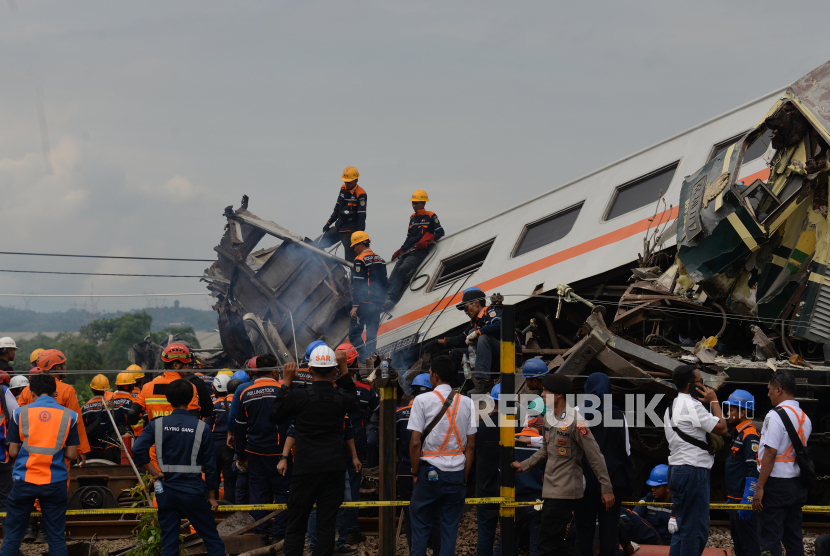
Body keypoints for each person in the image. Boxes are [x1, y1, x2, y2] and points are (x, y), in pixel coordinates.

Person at [270, 345, 360, 556]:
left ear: (309, 370)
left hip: (305, 471)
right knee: (327, 527)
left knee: (296, 525)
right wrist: (345, 370)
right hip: (333, 471)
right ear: (334, 370)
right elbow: (356, 404)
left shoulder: (299, 396)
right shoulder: (340, 397)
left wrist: (286, 382)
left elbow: (275, 416)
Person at [511, 373, 614, 556]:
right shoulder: (549, 418)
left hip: (565, 490)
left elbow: (595, 455)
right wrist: (524, 465)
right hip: (551, 488)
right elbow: (545, 450)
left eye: (546, 391)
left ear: (558, 394)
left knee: (545, 545)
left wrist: (606, 487)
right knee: (555, 542)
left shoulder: (576, 421)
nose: (542, 395)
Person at [132, 379, 225, 556]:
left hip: (166, 492)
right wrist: (212, 496)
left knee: (169, 543)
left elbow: (137, 449)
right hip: (194, 492)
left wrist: (154, 472)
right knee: (212, 540)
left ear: (168, 399)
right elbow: (211, 465)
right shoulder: (201, 428)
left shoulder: (156, 425)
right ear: (191, 399)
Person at [0, 374, 80, 556]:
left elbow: (12, 452)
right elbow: (71, 454)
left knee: (12, 537)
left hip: (24, 481)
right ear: (55, 392)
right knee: (56, 538)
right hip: (55, 483)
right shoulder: (69, 416)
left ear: (32, 392)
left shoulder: (20, 413)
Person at [408, 355, 477, 556]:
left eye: (430, 374)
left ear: (435, 376)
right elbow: (471, 446)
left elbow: (414, 442)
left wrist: (414, 471)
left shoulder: (421, 401)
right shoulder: (467, 403)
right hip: (456, 473)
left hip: (429, 471)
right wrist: (463, 476)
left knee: (420, 526)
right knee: (449, 528)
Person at [663, 365, 727, 556]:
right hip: (693, 470)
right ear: (691, 385)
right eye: (701, 382)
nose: (704, 385)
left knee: (682, 529)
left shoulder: (671, 406)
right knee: (695, 531)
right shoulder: (692, 405)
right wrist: (714, 400)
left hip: (675, 470)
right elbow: (722, 427)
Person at [576, 373, 635, 556]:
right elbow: (626, 450)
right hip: (612, 482)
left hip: (585, 481)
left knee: (583, 530)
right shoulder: (618, 414)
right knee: (609, 530)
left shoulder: (577, 412)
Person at [753, 370, 811, 556]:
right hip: (796, 485)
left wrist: (760, 486)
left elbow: (770, 453)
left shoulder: (775, 416)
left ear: (779, 389)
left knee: (769, 537)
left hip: (776, 485)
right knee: (793, 538)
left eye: (770, 389)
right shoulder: (804, 418)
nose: (768, 393)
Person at [234, 357, 288, 544]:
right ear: (274, 371)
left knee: (257, 492)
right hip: (280, 453)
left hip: (254, 452)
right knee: (283, 492)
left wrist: (240, 455)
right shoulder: (283, 390)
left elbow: (240, 427)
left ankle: (261, 534)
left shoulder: (245, 392)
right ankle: (280, 535)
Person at [429, 287, 522, 395]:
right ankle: (466, 387)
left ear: (476, 303)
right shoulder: (474, 322)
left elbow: (499, 324)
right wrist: (437, 342)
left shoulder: (489, 311)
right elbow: (460, 340)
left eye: (466, 308)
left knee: (482, 337)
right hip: (495, 356)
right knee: (456, 353)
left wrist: (478, 332)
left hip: (511, 354)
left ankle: (485, 382)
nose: (466, 312)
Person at [335, 342, 378, 547]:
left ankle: (336, 532)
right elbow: (381, 409)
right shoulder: (365, 389)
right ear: (353, 366)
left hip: (333, 446)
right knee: (351, 490)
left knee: (332, 490)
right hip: (356, 447)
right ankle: (350, 531)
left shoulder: (331, 389)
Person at [18, 349, 90, 465]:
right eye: (63, 365)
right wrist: (80, 449)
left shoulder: (27, 390)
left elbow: (18, 421)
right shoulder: (67, 390)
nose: (65, 368)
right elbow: (76, 421)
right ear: (57, 368)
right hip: (59, 451)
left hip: (30, 452)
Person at [396, 373, 441, 553]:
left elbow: (396, 444)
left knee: (410, 512)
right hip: (432, 469)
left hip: (406, 471)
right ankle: (436, 547)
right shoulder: (438, 413)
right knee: (435, 512)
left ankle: (415, 548)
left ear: (413, 391)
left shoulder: (399, 414)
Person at [382, 190, 445, 312]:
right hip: (407, 251)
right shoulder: (412, 218)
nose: (414, 206)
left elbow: (440, 232)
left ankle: (391, 299)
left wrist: (428, 239)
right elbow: (409, 236)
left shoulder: (431, 216)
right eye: (413, 203)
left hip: (419, 252)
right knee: (394, 272)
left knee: (402, 270)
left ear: (423, 203)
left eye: (416, 203)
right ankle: (385, 298)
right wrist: (401, 249)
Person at [495, 425, 545, 556]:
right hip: (538, 500)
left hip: (514, 499)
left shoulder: (510, 440)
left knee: (505, 540)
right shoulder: (544, 443)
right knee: (536, 543)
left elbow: (502, 471)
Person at [722, 389, 760, 556]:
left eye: (732, 409)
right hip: (735, 499)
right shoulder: (739, 433)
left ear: (743, 411)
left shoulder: (750, 435)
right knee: (739, 544)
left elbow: (754, 468)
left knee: (749, 547)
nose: (728, 413)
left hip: (742, 501)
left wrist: (748, 498)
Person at [348, 231, 388, 361]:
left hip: (363, 305)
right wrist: (382, 302)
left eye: (354, 246)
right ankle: (372, 361)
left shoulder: (359, 260)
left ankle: (365, 358)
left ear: (360, 244)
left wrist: (355, 306)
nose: (354, 249)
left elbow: (358, 284)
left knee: (354, 335)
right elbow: (385, 282)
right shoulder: (380, 259)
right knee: (371, 336)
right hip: (376, 305)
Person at [476, 383, 503, 556]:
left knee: (485, 534)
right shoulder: (515, 426)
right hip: (508, 489)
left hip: (485, 488)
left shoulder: (479, 426)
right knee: (510, 533)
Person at [320, 166, 367, 262]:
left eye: (349, 182)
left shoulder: (361, 194)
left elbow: (362, 216)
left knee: (351, 260)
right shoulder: (343, 188)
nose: (347, 184)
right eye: (345, 181)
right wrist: (328, 223)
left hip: (351, 232)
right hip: (339, 227)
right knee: (318, 244)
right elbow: (337, 208)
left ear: (356, 180)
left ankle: (354, 276)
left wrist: (359, 236)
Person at [619, 465, 673, 548]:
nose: (652, 489)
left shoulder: (677, 504)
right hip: (651, 542)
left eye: (657, 486)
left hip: (671, 544)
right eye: (651, 486)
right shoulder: (648, 500)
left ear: (668, 487)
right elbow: (634, 516)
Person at [205, 374, 235, 504]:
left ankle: (214, 502)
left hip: (214, 446)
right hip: (230, 446)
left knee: (214, 477)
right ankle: (229, 505)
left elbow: (207, 427)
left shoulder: (214, 405)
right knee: (229, 478)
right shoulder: (235, 404)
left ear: (214, 388)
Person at [81, 374, 122, 463]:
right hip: (109, 446)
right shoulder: (111, 404)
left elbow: (82, 428)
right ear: (107, 389)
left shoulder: (85, 407)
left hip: (91, 448)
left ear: (92, 389)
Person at [0, 370, 20, 527]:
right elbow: (16, 416)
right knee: (5, 499)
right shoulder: (3, 391)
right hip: (1, 455)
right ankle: (11, 546)